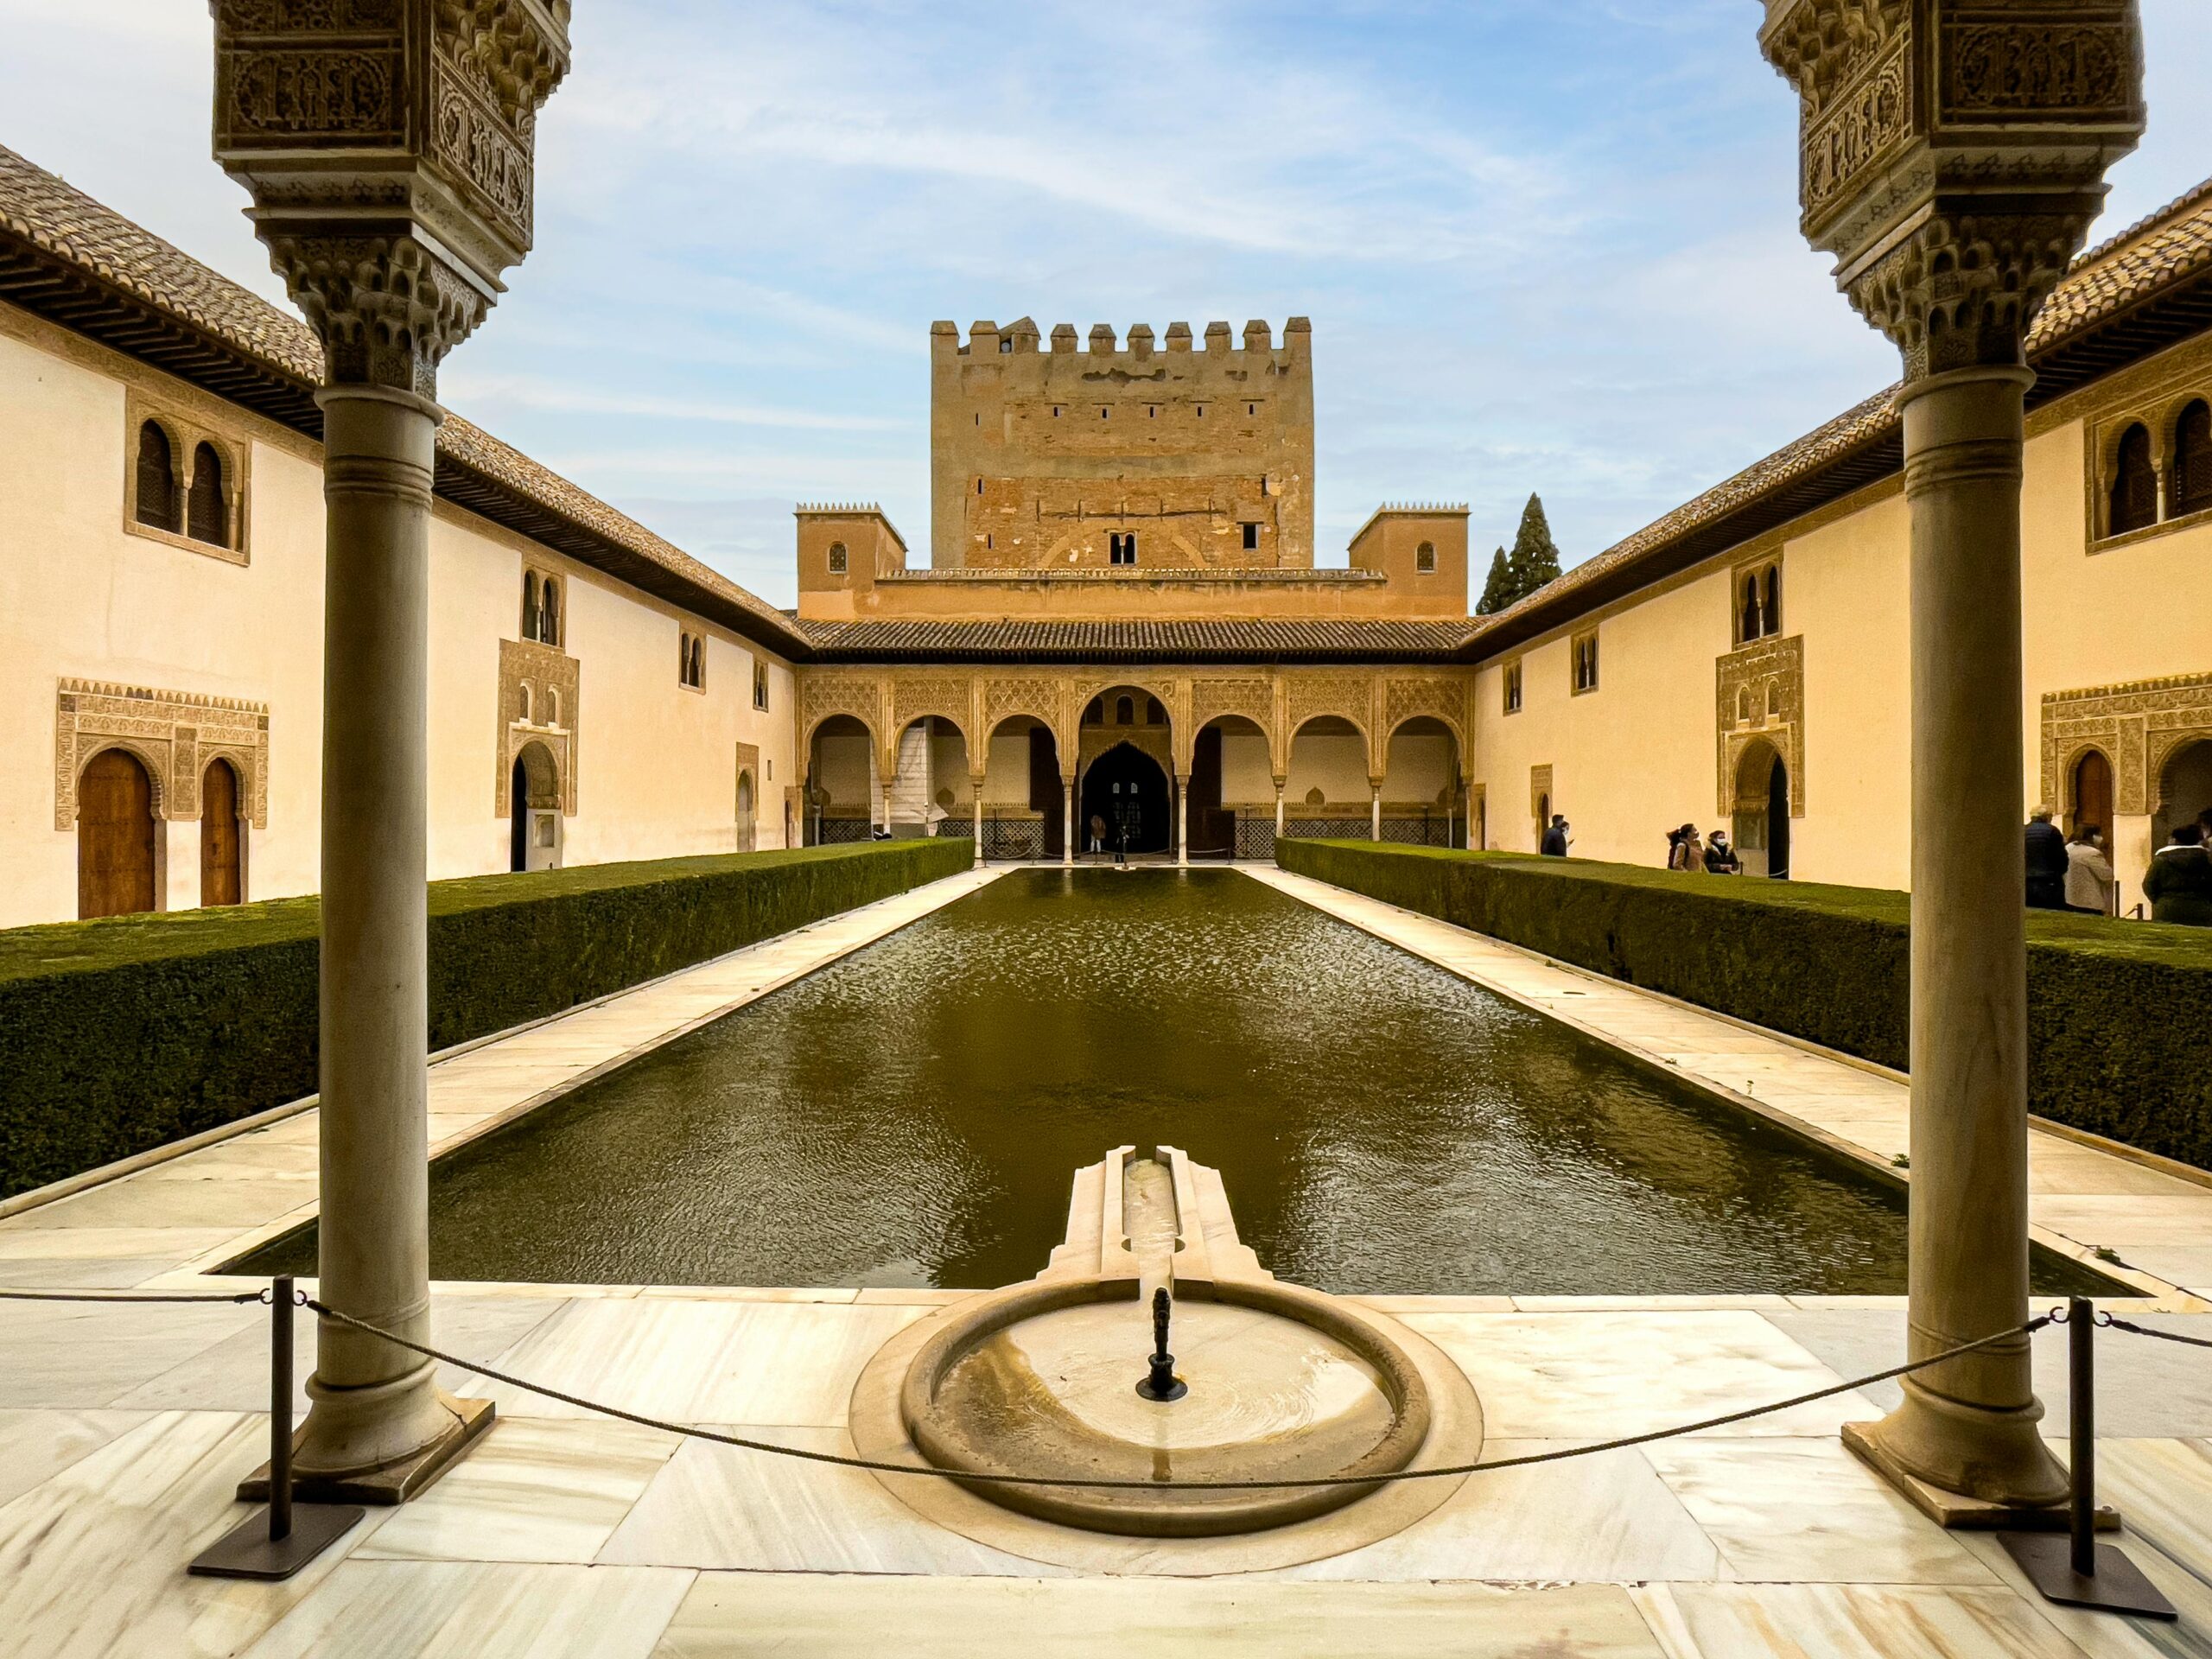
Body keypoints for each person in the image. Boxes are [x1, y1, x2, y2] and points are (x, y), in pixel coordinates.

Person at [2144, 822, 2212, 927]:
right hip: (2202, 909)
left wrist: (2160, 901)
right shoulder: (2208, 860)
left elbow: (2149, 885)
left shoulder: (2162, 860)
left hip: (2167, 909)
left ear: (2174, 840)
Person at [2024, 806, 2069, 910]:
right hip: (2048, 879)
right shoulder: (2052, 831)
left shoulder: (2023, 830)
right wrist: (2061, 872)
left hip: (2027, 878)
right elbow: (2060, 856)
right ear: (2047, 817)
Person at [2064, 825, 2113, 916]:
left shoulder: (2068, 848)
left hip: (2069, 897)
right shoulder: (2092, 853)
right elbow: (2106, 875)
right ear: (2092, 836)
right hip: (2089, 900)